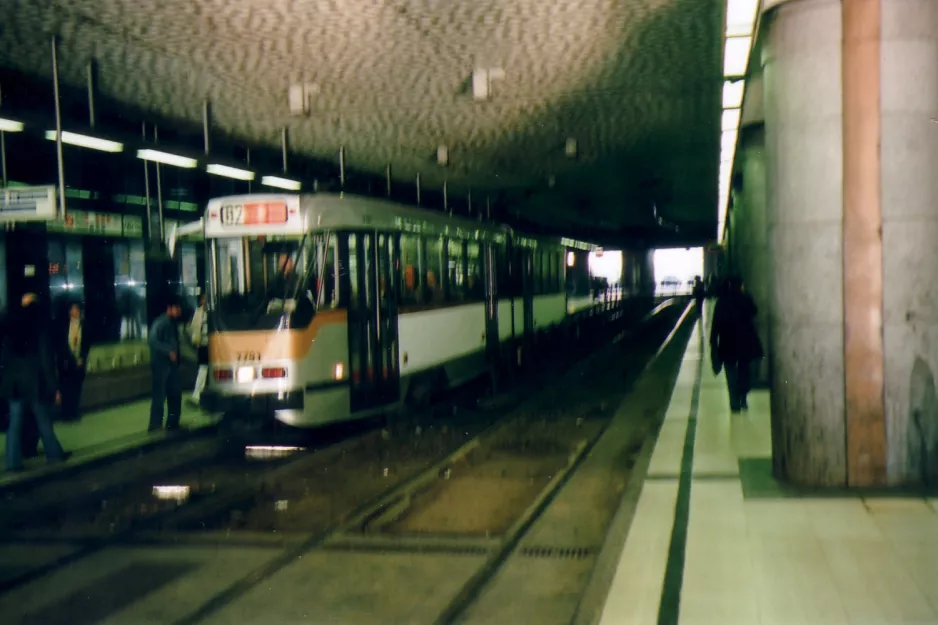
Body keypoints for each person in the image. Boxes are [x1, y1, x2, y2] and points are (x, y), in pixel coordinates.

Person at [2, 293, 70, 472]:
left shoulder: (10, 325)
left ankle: (12, 462)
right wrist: (53, 386)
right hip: (33, 382)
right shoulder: (39, 327)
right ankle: (54, 453)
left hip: (14, 383)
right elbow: (46, 359)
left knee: (15, 422)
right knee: (42, 418)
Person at [709, 276, 763, 413]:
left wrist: (713, 343)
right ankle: (743, 398)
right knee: (744, 371)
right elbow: (754, 311)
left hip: (727, 345)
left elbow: (715, 325)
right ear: (740, 285)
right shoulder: (745, 299)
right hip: (745, 344)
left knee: (731, 374)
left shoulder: (721, 302)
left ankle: (734, 404)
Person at [148, 298, 183, 432]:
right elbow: (153, 340)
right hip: (161, 365)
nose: (179, 312)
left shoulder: (171, 323)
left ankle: (171, 422)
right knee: (160, 395)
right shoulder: (161, 322)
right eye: (177, 309)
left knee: (174, 394)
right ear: (170, 308)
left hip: (170, 365)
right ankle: (156, 424)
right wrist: (168, 351)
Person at [59, 303, 90, 421]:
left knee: (77, 389)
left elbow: (86, 344)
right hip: (67, 363)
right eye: (73, 310)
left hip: (79, 363)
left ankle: (74, 412)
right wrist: (72, 360)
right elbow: (62, 346)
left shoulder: (83, 326)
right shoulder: (65, 326)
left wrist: (81, 358)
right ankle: (66, 414)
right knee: (66, 389)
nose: (75, 312)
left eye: (77, 310)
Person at [187, 294, 209, 406]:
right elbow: (194, 328)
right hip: (203, 345)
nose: (204, 301)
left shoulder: (211, 312)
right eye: (203, 299)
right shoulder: (199, 312)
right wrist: (196, 341)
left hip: (212, 344)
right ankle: (197, 394)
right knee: (203, 369)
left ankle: (198, 394)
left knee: (204, 370)